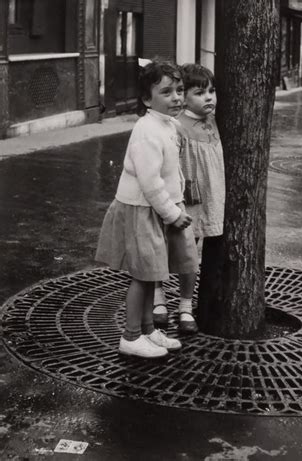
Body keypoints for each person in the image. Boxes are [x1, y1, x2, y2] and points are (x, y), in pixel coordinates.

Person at [95, 60, 199, 358]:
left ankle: (148, 329)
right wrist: (172, 213)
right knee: (142, 276)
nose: (177, 98)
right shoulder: (147, 131)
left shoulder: (166, 124)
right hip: (143, 209)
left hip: (155, 208)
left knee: (152, 273)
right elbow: (150, 181)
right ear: (146, 99)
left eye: (180, 90)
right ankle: (130, 337)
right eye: (167, 92)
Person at [153, 64, 225, 327]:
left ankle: (185, 305)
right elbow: (169, 165)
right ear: (184, 97)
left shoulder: (214, 120)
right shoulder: (177, 126)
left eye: (211, 91)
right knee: (162, 247)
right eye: (199, 93)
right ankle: (157, 297)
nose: (208, 98)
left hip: (209, 198)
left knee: (192, 254)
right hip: (182, 201)